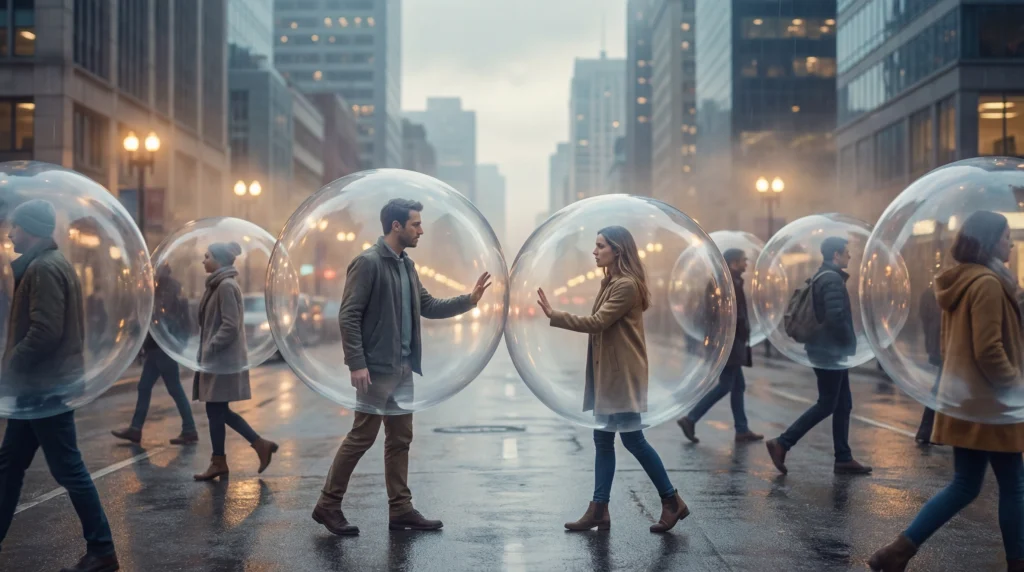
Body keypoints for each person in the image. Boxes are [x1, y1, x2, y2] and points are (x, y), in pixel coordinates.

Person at [312, 198, 491, 536]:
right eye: (415, 224)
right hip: (376, 370)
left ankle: (401, 509)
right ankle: (328, 504)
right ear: (396, 226)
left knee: (400, 439)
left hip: (403, 370)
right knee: (361, 436)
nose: (421, 230)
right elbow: (348, 315)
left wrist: (469, 300)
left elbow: (427, 305)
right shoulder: (367, 263)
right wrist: (357, 363)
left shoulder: (407, 265)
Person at [869, 211, 1024, 572]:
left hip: (970, 399)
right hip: (992, 403)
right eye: (1005, 237)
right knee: (1014, 485)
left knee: (966, 485)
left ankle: (897, 551)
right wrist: (1015, 385)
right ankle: (1018, 562)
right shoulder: (986, 283)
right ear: (989, 242)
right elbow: (988, 349)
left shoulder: (968, 280)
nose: (1011, 243)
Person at [537, 226, 689, 534]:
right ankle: (599, 510)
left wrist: (555, 314)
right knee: (603, 439)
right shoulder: (612, 282)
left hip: (621, 376)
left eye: (600, 246)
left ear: (617, 250)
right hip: (609, 372)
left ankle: (671, 501)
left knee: (633, 439)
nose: (594, 251)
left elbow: (598, 322)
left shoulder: (626, 285)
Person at [0, 199, 119, 572]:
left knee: (68, 468)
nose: (9, 233)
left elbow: (45, 332)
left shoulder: (45, 268)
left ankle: (102, 549)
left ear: (30, 228)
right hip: (37, 387)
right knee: (9, 465)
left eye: (14, 227)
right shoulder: (45, 264)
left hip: (43, 387)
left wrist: (10, 367)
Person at [765, 236, 873, 475]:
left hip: (825, 348)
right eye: (846, 252)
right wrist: (847, 342)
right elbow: (835, 317)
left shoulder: (823, 275)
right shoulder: (832, 280)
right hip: (828, 350)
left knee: (843, 403)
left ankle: (843, 458)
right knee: (827, 403)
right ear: (835, 255)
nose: (850, 256)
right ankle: (782, 442)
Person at [192, 242, 278, 481]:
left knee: (216, 409)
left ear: (218, 260)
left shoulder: (226, 287)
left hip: (223, 361)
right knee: (218, 410)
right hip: (219, 360)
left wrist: (211, 347)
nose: (203, 260)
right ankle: (257, 446)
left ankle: (221, 460)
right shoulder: (218, 285)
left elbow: (230, 325)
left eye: (207, 256)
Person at [677, 248, 764, 444]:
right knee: (726, 385)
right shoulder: (726, 283)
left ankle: (742, 429)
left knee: (738, 386)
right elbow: (721, 315)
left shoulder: (730, 281)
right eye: (743, 260)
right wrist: (735, 333)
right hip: (728, 343)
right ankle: (690, 419)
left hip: (732, 341)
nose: (746, 264)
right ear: (734, 263)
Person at [111, 264, 197, 446]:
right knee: (146, 387)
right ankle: (136, 429)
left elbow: (156, 321)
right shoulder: (166, 292)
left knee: (172, 388)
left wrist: (139, 331)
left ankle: (189, 429)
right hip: (159, 348)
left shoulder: (164, 294)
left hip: (162, 349)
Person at [915, 285, 942, 445]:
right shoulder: (937, 294)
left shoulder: (935, 293)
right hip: (946, 348)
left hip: (941, 346)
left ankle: (927, 431)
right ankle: (928, 431)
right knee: (941, 388)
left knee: (941, 388)